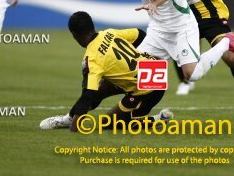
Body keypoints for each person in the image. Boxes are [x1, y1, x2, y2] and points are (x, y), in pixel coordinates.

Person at [39, 12, 173, 131]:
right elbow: (140, 34)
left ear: (74, 34)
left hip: (150, 89)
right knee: (99, 88)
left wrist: (74, 129)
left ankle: (158, 119)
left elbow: (87, 96)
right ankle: (66, 120)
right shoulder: (109, 33)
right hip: (154, 71)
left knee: (107, 123)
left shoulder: (92, 59)